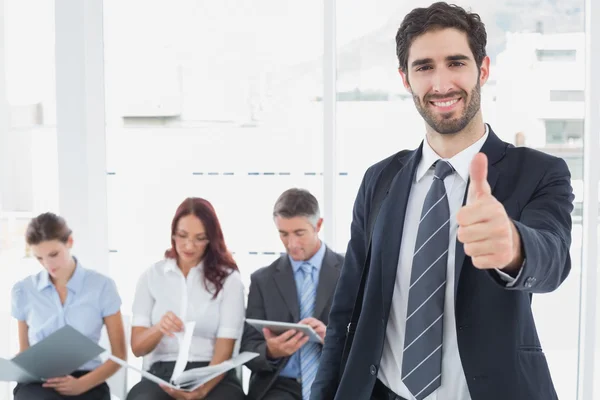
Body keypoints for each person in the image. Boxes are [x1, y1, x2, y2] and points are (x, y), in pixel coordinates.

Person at [310, 3, 574, 400]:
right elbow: (346, 310)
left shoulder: (539, 172)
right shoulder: (380, 179)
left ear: (482, 70)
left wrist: (514, 247)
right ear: (405, 79)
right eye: (424, 67)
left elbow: (552, 257)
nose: (441, 83)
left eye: (455, 63)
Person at [126, 197, 245, 400]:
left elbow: (225, 348)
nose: (189, 245)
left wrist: (202, 390)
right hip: (162, 374)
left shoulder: (229, 280)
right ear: (173, 234)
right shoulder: (152, 276)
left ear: (211, 239)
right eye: (182, 236)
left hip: (213, 374)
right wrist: (159, 328)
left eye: (200, 238)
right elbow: (137, 348)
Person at [241, 188, 344, 400]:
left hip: (335, 383)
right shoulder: (263, 280)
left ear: (318, 225)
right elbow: (248, 349)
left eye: (299, 233)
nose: (291, 244)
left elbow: (367, 338)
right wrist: (270, 351)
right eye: (283, 234)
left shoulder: (350, 272)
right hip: (280, 386)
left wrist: (332, 338)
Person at [11, 212, 126, 400]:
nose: (48, 264)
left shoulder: (102, 286)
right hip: (39, 382)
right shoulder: (23, 291)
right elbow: (24, 351)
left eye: (53, 254)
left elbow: (119, 356)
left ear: (70, 242)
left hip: (87, 380)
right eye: (39, 258)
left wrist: (81, 385)